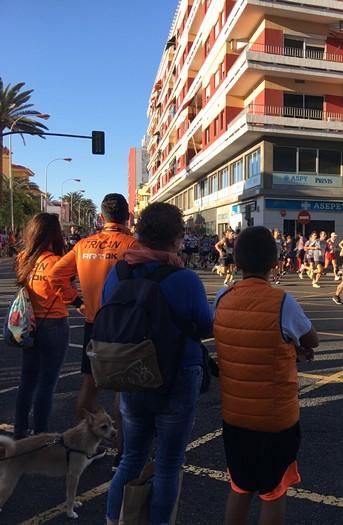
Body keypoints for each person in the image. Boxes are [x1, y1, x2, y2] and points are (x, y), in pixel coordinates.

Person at [104, 203, 212, 525]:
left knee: (130, 458)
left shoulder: (119, 272)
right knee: (167, 464)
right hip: (176, 375)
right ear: (177, 238)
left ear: (140, 233)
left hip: (129, 371)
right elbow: (205, 326)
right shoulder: (184, 278)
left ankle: (114, 519)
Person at [214, 226, 319, 525]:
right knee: (273, 492)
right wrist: (294, 348)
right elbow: (312, 339)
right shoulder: (282, 301)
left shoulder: (222, 297)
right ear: (274, 263)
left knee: (240, 486)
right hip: (274, 419)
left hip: (235, 417)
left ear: (236, 261)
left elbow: (239, 339)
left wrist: (285, 347)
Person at [48, 194, 137, 447]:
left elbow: (55, 275)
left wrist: (76, 301)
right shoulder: (132, 244)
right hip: (122, 324)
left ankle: (80, 445)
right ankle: (123, 454)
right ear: (127, 216)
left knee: (89, 384)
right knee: (123, 387)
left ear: (101, 217)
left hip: (93, 322)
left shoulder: (83, 245)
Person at [13, 214, 79, 439]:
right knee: (47, 382)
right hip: (54, 323)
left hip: (28, 323)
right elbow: (66, 289)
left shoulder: (23, 258)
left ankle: (20, 430)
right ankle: (40, 432)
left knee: (27, 380)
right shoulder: (54, 261)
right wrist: (79, 303)